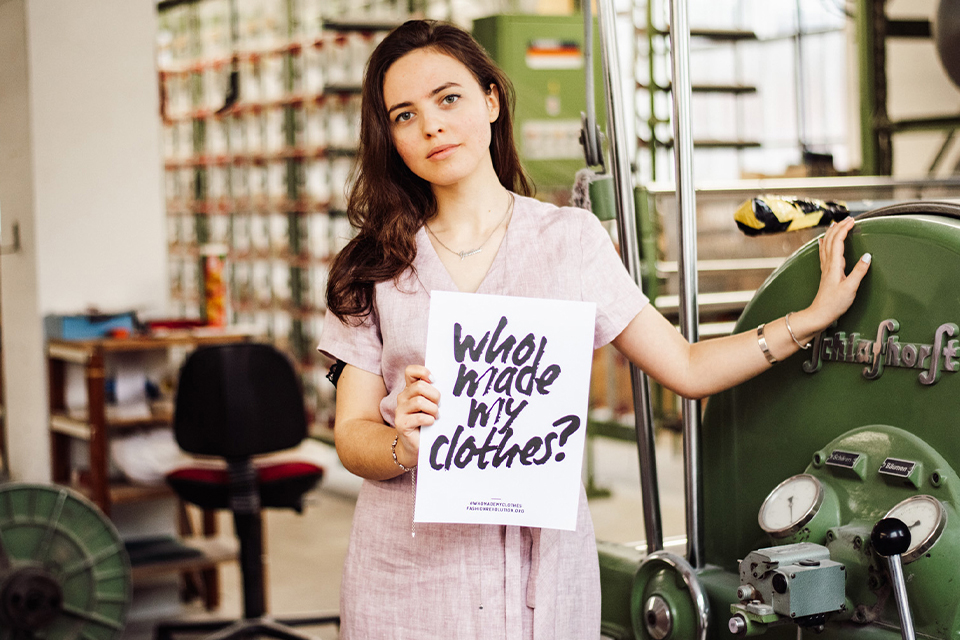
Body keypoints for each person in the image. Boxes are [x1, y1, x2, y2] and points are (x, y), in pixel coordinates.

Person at [318, 19, 870, 639]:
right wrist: (404, 445)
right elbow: (351, 434)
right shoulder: (376, 264)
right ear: (390, 137)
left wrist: (807, 320)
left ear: (491, 99)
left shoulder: (570, 242)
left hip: (542, 579)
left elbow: (686, 369)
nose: (432, 126)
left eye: (449, 98)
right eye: (404, 115)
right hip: (410, 579)